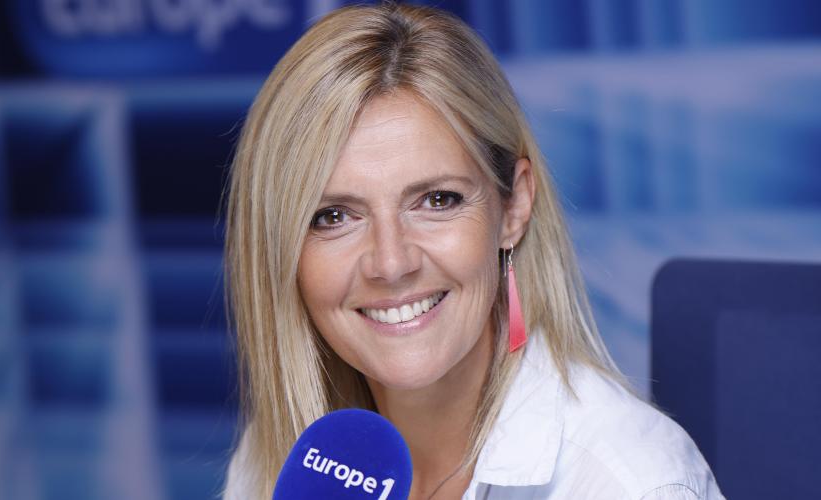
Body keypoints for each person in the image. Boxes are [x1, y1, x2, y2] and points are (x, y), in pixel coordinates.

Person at [222, 3, 724, 499]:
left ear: (514, 207)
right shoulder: (286, 460)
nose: (391, 263)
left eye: (437, 200)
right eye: (333, 216)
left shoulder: (630, 482)